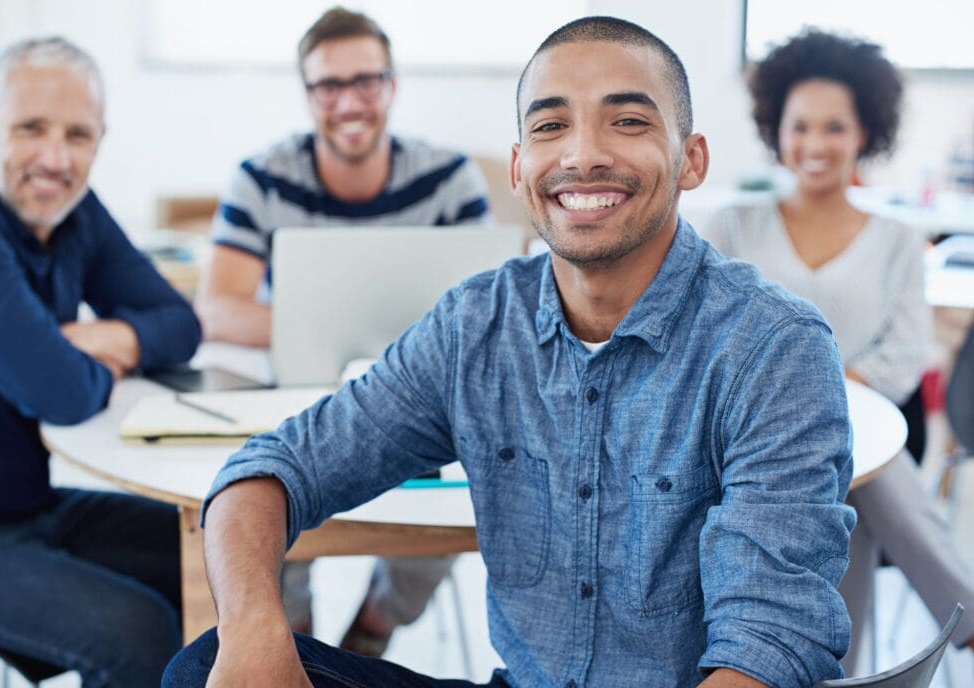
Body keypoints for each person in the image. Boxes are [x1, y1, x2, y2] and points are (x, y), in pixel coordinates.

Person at [165, 16, 855, 688]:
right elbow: (269, 471)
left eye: (629, 120)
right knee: (205, 665)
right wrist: (256, 625)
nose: (583, 154)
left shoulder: (773, 348)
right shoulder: (477, 326)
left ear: (691, 159)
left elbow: (771, 644)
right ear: (521, 168)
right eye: (551, 125)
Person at [194, 6, 491, 656]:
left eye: (366, 80)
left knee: (475, 487)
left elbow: (485, 314)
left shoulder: (449, 179)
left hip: (418, 411)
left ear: (392, 85)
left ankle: (373, 628)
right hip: (297, 398)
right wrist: (329, 333)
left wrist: (392, 359)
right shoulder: (261, 178)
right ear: (307, 95)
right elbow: (218, 306)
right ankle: (293, 638)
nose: (349, 101)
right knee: (265, 491)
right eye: (329, 85)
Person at [703, 29, 974, 673]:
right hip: (746, 435)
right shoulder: (734, 225)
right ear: (778, 130)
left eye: (835, 127)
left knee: (841, 457)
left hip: (863, 425)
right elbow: (708, 339)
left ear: (864, 133)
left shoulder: (900, 241)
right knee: (848, 466)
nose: (816, 145)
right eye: (801, 127)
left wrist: (819, 394)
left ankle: (829, 670)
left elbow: (906, 357)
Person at [0, 37, 202, 686]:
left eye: (78, 135)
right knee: (137, 634)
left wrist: (87, 339)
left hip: (33, 508)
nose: (55, 158)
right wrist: (73, 356)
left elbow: (181, 324)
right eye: (31, 128)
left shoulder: (72, 210)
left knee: (228, 551)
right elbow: (62, 392)